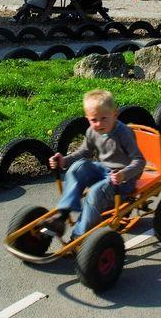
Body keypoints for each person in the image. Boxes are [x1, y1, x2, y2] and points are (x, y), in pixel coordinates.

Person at [44, 90, 146, 240]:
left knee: (95, 192)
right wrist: (64, 160)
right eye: (94, 120)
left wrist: (124, 174)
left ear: (115, 114)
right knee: (78, 167)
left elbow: (140, 161)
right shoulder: (92, 131)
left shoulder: (124, 133)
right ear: (88, 119)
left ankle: (80, 236)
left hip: (123, 179)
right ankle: (61, 216)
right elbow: (83, 152)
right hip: (103, 170)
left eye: (104, 118)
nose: (99, 124)